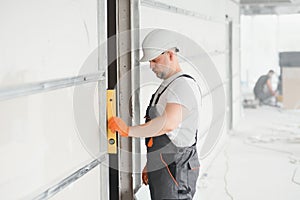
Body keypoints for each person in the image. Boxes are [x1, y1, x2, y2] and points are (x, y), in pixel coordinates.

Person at [108, 29, 201, 200]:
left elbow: (167, 124)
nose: (151, 66)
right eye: (150, 61)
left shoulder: (183, 86)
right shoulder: (169, 85)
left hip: (176, 171)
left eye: (155, 60)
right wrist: (151, 164)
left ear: (170, 55)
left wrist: (128, 130)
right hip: (164, 166)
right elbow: (163, 134)